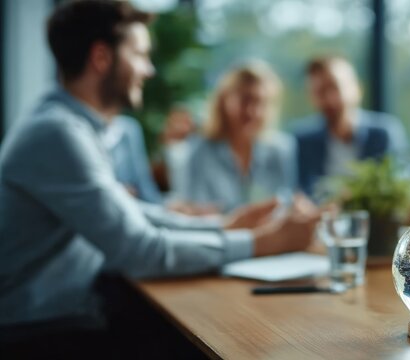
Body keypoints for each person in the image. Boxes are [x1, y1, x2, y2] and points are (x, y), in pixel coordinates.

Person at [0, 0, 318, 348]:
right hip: (41, 331)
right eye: (139, 54)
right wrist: (264, 242)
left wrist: (225, 226)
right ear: (102, 57)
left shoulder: (72, 127)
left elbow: (133, 214)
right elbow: (140, 251)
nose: (148, 69)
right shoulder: (58, 133)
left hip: (72, 311)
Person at [179, 62, 298, 213]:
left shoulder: (282, 149)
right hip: (217, 234)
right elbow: (193, 209)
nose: (251, 111)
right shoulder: (200, 150)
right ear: (224, 101)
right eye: (245, 100)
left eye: (260, 102)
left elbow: (286, 204)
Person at [293, 56, 404, 195]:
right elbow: (299, 191)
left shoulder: (384, 133)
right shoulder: (302, 139)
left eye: (334, 87)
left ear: (357, 89)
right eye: (319, 91)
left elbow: (396, 191)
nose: (329, 99)